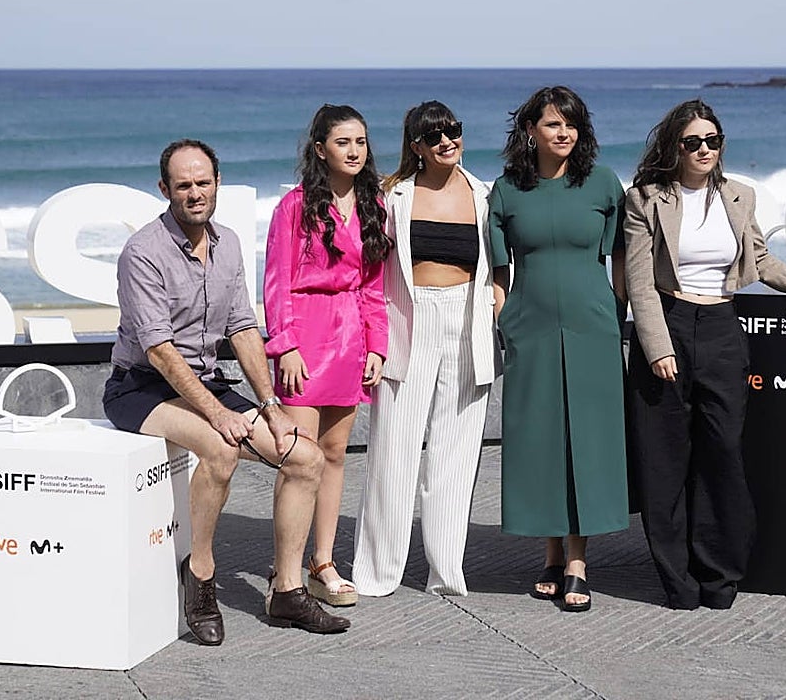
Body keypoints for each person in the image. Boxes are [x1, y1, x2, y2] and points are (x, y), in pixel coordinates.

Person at [103, 138, 349, 643]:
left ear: (217, 182)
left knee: (304, 457)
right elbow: (159, 350)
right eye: (184, 185)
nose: (195, 193)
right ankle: (201, 575)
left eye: (203, 182)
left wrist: (271, 406)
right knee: (220, 449)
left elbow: (241, 327)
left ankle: (286, 591)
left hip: (207, 382)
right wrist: (218, 414)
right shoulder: (143, 253)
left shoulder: (229, 243)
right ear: (165, 189)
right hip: (140, 387)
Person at [624, 99, 786, 610]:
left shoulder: (739, 196)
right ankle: (677, 580)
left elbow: (758, 259)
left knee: (722, 454)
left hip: (721, 329)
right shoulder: (645, 199)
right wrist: (657, 349)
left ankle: (720, 573)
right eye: (693, 142)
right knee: (664, 463)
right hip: (667, 324)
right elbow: (640, 285)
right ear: (675, 147)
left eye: (712, 140)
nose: (704, 149)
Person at [488, 85, 629, 612]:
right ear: (531, 131)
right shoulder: (506, 190)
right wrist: (503, 318)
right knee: (541, 439)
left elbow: (619, 257)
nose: (563, 132)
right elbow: (499, 270)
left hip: (594, 326)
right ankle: (549, 552)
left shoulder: (603, 183)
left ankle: (577, 562)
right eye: (551, 124)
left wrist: (617, 313)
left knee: (589, 441)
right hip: (531, 326)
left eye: (570, 123)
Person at [352, 101, 500, 597]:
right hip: (408, 322)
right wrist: (370, 338)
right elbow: (370, 270)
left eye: (453, 131)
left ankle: (445, 571)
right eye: (433, 136)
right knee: (393, 449)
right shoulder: (392, 195)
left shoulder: (484, 193)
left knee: (455, 456)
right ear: (415, 145)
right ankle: (377, 572)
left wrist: (499, 298)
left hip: (467, 320)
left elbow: (503, 259)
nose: (446, 141)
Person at [263, 104, 391, 607]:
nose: (354, 150)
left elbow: (373, 287)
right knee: (300, 458)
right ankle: (286, 573)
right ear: (320, 150)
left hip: (350, 340)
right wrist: (286, 345)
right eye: (343, 142)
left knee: (336, 455)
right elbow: (275, 284)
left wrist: (376, 345)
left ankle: (322, 563)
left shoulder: (373, 205)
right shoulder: (294, 207)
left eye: (360, 141)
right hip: (305, 338)